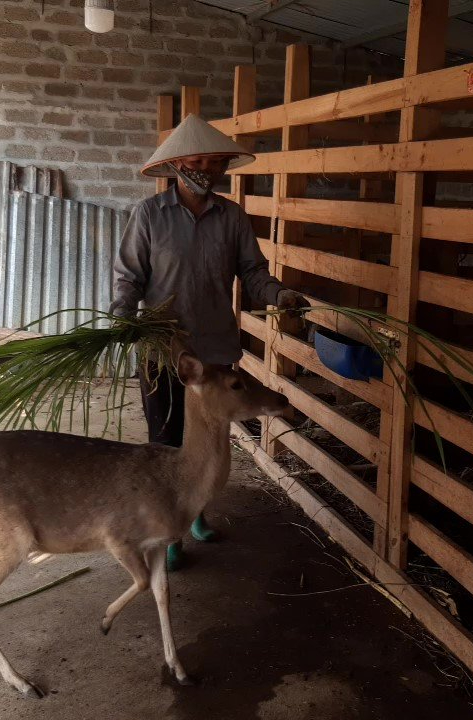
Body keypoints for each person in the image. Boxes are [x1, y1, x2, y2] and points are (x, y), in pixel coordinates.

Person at [110, 114, 307, 570]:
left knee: (211, 437)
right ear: (177, 165)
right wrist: (121, 315)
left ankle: (198, 512)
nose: (207, 167)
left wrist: (280, 295)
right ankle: (169, 529)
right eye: (197, 159)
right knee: (165, 436)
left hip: (215, 350)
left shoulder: (232, 217)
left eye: (214, 161)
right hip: (164, 348)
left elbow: (253, 273)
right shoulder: (148, 216)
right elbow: (129, 277)